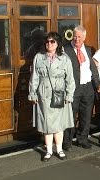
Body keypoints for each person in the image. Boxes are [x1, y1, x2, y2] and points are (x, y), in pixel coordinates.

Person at [28, 32, 76, 161]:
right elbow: (34, 78)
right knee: (47, 124)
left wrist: (69, 95)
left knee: (59, 124)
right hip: (44, 95)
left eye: (52, 41)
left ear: (58, 43)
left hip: (59, 94)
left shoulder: (65, 58)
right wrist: (32, 93)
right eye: (47, 42)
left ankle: (59, 150)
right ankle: (49, 151)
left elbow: (70, 79)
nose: (49, 44)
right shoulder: (39, 57)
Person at [63, 25, 100, 150]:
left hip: (88, 87)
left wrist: (97, 84)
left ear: (84, 37)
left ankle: (82, 139)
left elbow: (93, 69)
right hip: (73, 88)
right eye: (75, 36)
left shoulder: (89, 49)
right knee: (70, 116)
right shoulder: (65, 49)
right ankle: (67, 142)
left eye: (79, 36)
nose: (76, 39)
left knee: (86, 116)